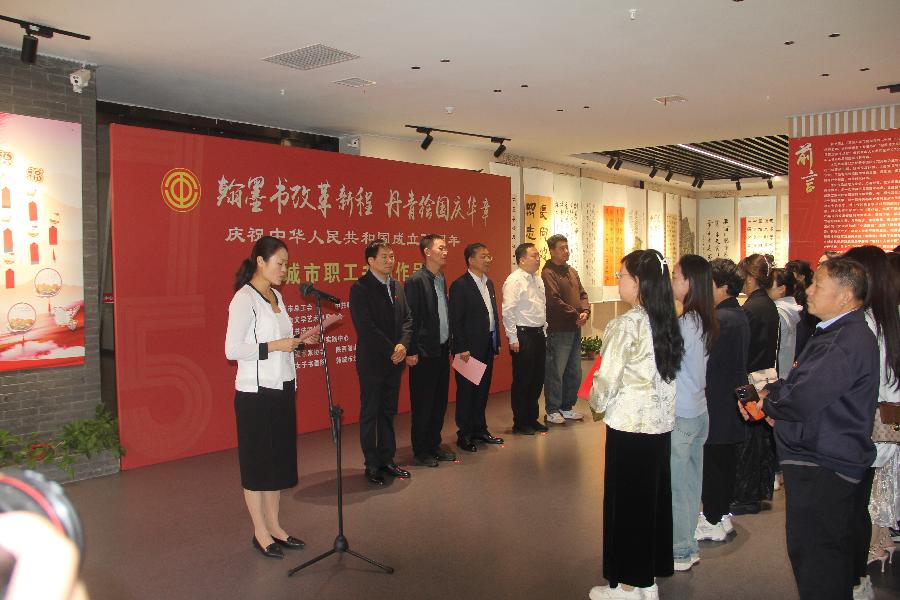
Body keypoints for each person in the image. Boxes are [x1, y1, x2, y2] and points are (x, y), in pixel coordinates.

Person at [741, 257, 879, 600]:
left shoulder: (843, 340)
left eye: (818, 284)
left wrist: (769, 404)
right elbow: (807, 389)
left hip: (824, 463)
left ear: (845, 296)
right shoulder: (838, 332)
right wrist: (774, 398)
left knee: (818, 559)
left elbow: (805, 396)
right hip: (825, 456)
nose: (810, 291)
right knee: (825, 554)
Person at [588, 249, 684, 600]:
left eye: (622, 276)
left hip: (629, 426)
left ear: (639, 282)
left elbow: (606, 380)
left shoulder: (626, 324)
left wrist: (595, 402)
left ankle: (628, 585)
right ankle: (646, 579)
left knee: (627, 505)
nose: (619, 281)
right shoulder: (667, 320)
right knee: (651, 502)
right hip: (659, 426)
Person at [225, 236, 311, 559]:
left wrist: (297, 341)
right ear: (260, 262)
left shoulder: (277, 296)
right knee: (258, 463)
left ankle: (275, 526)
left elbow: (279, 339)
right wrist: (276, 346)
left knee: (277, 461)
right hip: (256, 394)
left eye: (287, 264)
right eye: (280, 263)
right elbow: (232, 349)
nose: (285, 270)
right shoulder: (243, 299)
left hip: (282, 387)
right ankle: (260, 531)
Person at [841, 246, 900, 600]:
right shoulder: (889, 318)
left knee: (856, 505)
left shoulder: (863, 324)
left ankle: (858, 571)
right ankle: (873, 554)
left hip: (866, 426)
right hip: (888, 424)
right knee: (871, 498)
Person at [349, 240, 413, 485]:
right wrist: (391, 349)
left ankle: (387, 459)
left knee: (388, 412)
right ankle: (372, 464)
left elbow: (408, 319)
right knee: (370, 413)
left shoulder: (397, 285)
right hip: (373, 362)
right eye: (384, 257)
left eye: (391, 256)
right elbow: (366, 327)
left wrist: (403, 345)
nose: (390, 260)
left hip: (395, 361)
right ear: (371, 261)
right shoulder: (360, 288)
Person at [669, 255, 718, 571]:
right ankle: (688, 546)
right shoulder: (704, 319)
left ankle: (679, 551)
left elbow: (675, 369)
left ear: (690, 282)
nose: (672, 281)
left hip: (683, 413)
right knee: (690, 485)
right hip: (699, 410)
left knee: (677, 487)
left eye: (676, 276)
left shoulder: (686, 323)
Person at [698, 258, 750, 542]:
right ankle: (721, 515)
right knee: (724, 462)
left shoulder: (721, 319)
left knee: (714, 464)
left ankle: (713, 518)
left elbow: (705, 362)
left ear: (721, 286)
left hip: (716, 400)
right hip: (729, 398)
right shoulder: (736, 314)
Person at [731, 253, 779, 515]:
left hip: (752, 378)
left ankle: (747, 496)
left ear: (749, 277)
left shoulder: (751, 308)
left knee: (749, 441)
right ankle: (755, 492)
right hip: (765, 374)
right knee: (759, 441)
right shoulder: (766, 304)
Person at [404, 234, 457, 467]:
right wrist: (411, 350)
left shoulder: (440, 279)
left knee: (438, 403)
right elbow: (410, 319)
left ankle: (434, 445)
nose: (445, 252)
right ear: (427, 252)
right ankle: (421, 450)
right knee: (423, 404)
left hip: (441, 349)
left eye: (446, 248)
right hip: (423, 352)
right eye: (440, 248)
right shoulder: (416, 281)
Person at [449, 243, 503, 452]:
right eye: (483, 256)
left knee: (482, 390)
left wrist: (496, 343)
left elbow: (492, 315)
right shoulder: (460, 285)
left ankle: (480, 429)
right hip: (468, 349)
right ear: (471, 260)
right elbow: (456, 320)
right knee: (467, 392)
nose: (488, 260)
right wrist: (461, 347)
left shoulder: (488, 283)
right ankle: (464, 434)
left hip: (487, 345)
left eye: (489, 256)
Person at [542, 234, 590, 425]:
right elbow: (553, 300)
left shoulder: (572, 271)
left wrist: (585, 311)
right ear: (552, 251)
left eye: (567, 247)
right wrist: (575, 315)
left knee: (574, 371)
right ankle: (552, 410)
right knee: (556, 371)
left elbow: (583, 294)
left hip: (574, 327)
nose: (566, 251)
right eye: (561, 248)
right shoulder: (548, 273)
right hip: (559, 329)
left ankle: (566, 406)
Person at [502, 242, 549, 435]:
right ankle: (520, 422)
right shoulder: (514, 280)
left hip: (538, 334)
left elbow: (541, 307)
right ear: (522, 260)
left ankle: (532, 418)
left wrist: (544, 331)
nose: (538, 259)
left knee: (537, 379)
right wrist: (512, 337)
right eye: (534, 256)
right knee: (523, 380)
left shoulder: (537, 279)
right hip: (523, 335)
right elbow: (508, 311)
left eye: (538, 255)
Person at [767, 267, 802, 378]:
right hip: (788, 372)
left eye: (769, 284)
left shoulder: (778, 313)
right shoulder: (792, 309)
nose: (765, 288)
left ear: (782, 289)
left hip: (776, 374)